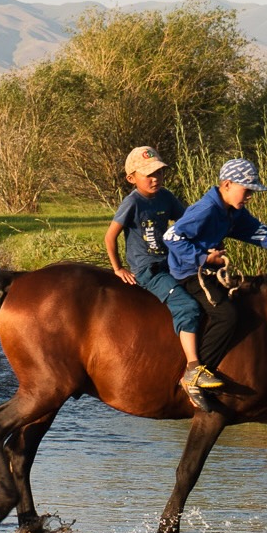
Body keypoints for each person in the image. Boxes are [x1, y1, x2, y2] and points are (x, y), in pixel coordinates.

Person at [164, 157, 267, 407]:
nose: (250, 196)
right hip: (188, 273)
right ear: (227, 184)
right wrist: (204, 257)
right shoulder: (207, 210)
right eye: (247, 190)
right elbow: (172, 236)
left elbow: (258, 232)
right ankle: (195, 374)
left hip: (206, 270)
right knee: (226, 315)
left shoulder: (232, 212)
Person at [104, 145, 206, 381]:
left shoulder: (166, 197)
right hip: (148, 269)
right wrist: (118, 268)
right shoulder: (133, 203)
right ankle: (192, 368)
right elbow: (110, 236)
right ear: (132, 178)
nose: (155, 179)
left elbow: (187, 221)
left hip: (170, 263)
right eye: (148, 174)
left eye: (158, 173)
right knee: (187, 307)